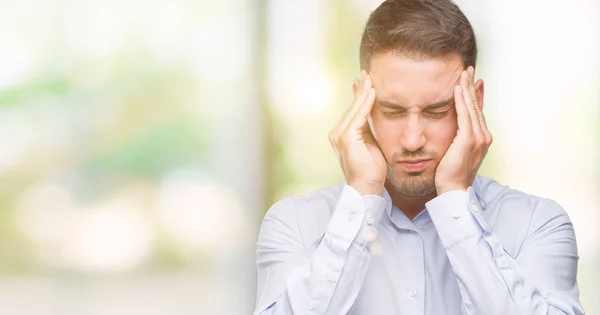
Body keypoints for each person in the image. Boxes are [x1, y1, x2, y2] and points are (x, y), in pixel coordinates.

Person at [253, 0, 584, 314]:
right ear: (361, 103)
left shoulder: (537, 225)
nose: (412, 140)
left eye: (437, 111)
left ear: (475, 99)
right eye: (391, 111)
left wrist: (455, 199)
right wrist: (361, 197)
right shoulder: (294, 224)